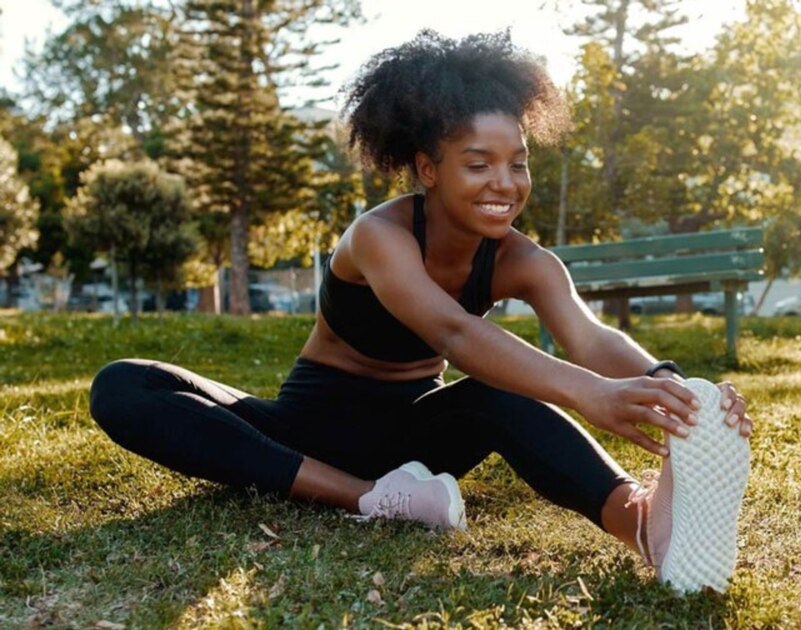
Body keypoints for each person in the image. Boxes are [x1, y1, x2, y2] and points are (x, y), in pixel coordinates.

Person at [88, 30, 752, 593]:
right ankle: (369, 499)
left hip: (416, 443)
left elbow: (590, 335)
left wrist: (678, 392)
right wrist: (592, 394)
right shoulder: (380, 236)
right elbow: (453, 331)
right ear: (427, 169)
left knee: (502, 396)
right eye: (478, 163)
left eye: (517, 164)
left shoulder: (524, 260)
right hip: (302, 432)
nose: (505, 182)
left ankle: (641, 521)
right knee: (124, 386)